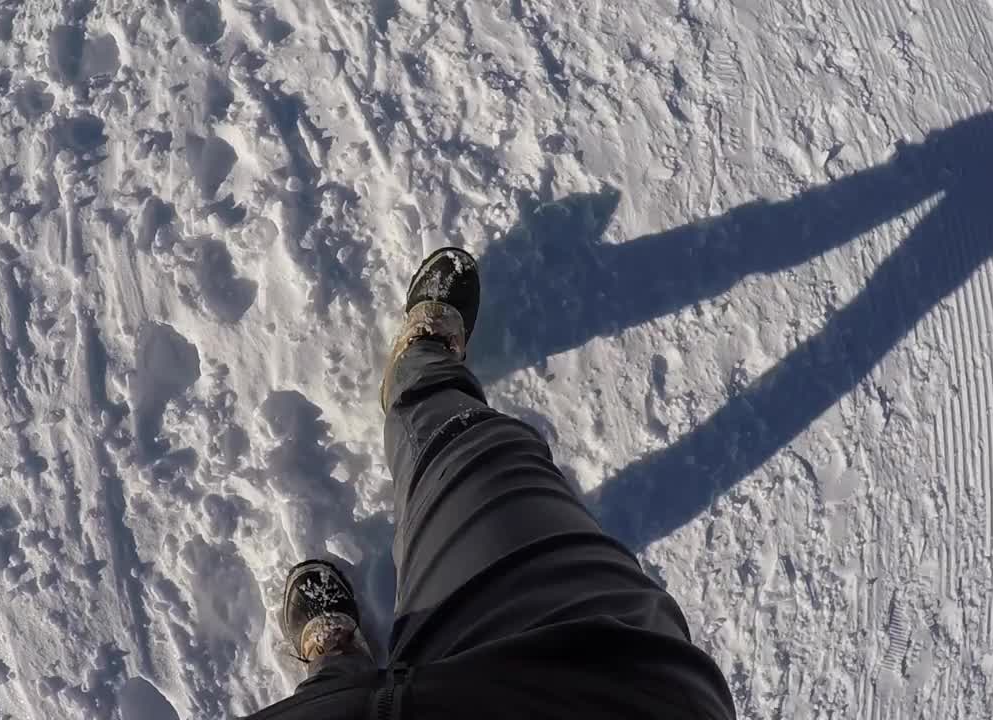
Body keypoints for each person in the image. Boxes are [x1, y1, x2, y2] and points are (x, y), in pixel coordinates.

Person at [245, 248, 736, 719]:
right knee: (485, 463)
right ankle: (425, 370)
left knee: (454, 457)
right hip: (613, 686)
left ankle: (336, 663)